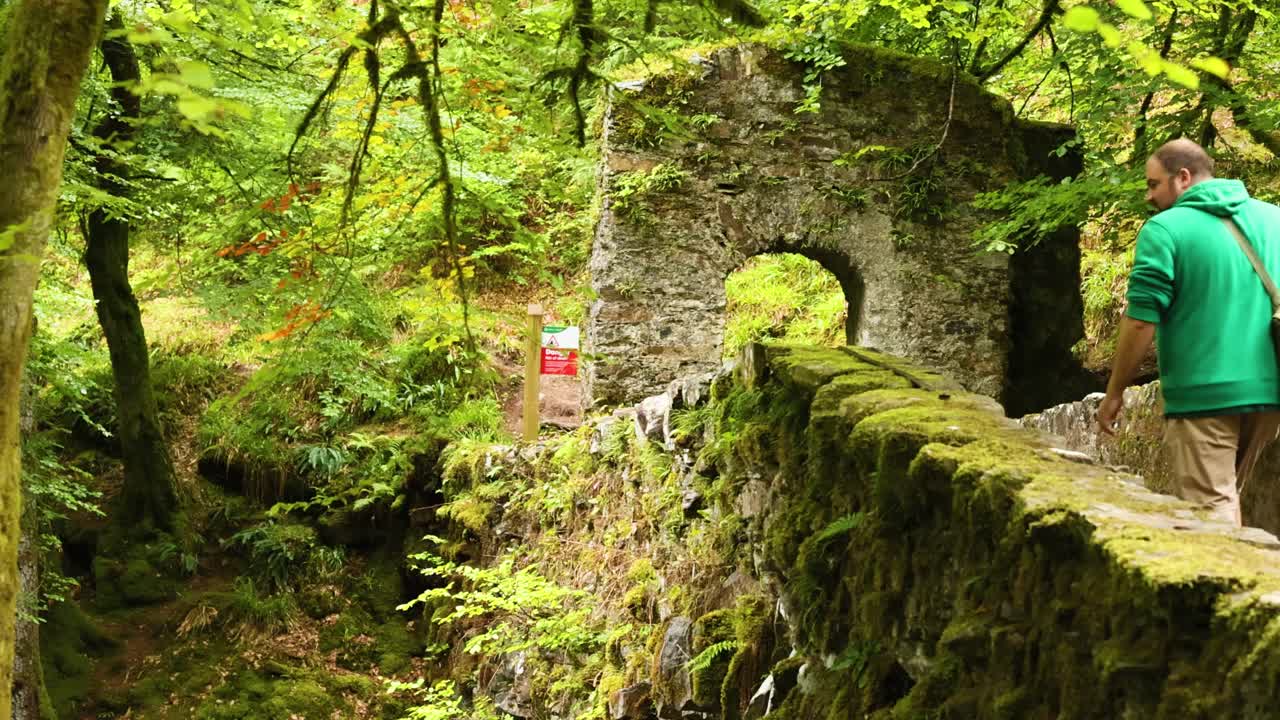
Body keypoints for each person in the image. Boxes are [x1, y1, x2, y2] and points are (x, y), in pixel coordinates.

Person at [1097, 138, 1280, 526]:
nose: (1148, 196)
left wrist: (1115, 390)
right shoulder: (1272, 219)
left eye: (1153, 184)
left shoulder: (1164, 230)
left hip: (1204, 397)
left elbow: (1142, 319)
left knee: (1209, 513)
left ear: (1182, 177)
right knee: (1227, 497)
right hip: (1267, 395)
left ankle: (1228, 585)